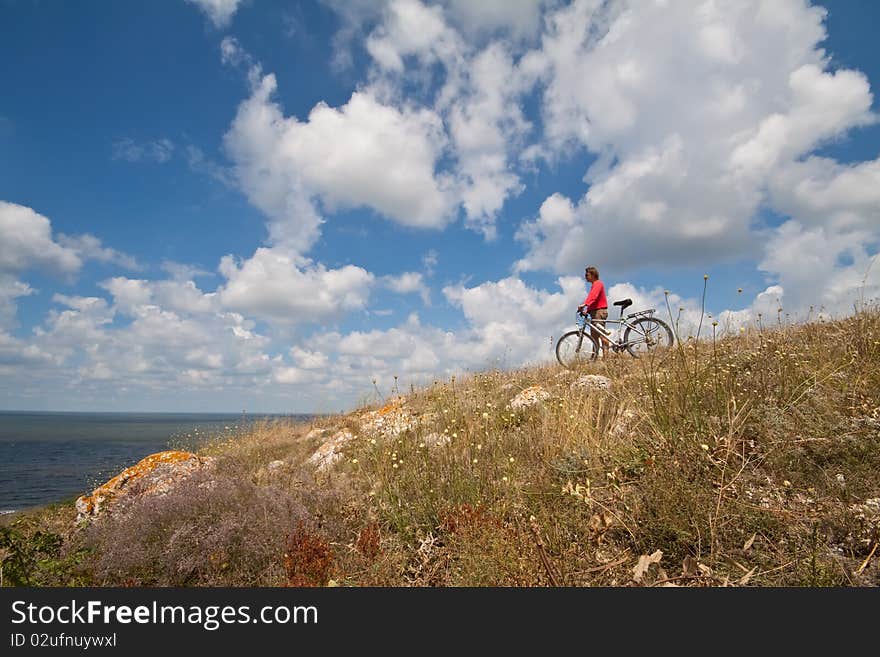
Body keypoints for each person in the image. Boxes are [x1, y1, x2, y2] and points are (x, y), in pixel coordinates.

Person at [578, 266, 611, 357]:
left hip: (599, 312)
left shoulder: (598, 284)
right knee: (594, 337)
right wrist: (587, 311)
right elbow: (594, 301)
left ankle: (606, 358)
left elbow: (594, 296)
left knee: (602, 335)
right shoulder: (594, 285)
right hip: (594, 313)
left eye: (587, 275)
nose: (585, 277)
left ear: (593, 275)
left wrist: (584, 304)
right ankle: (594, 358)